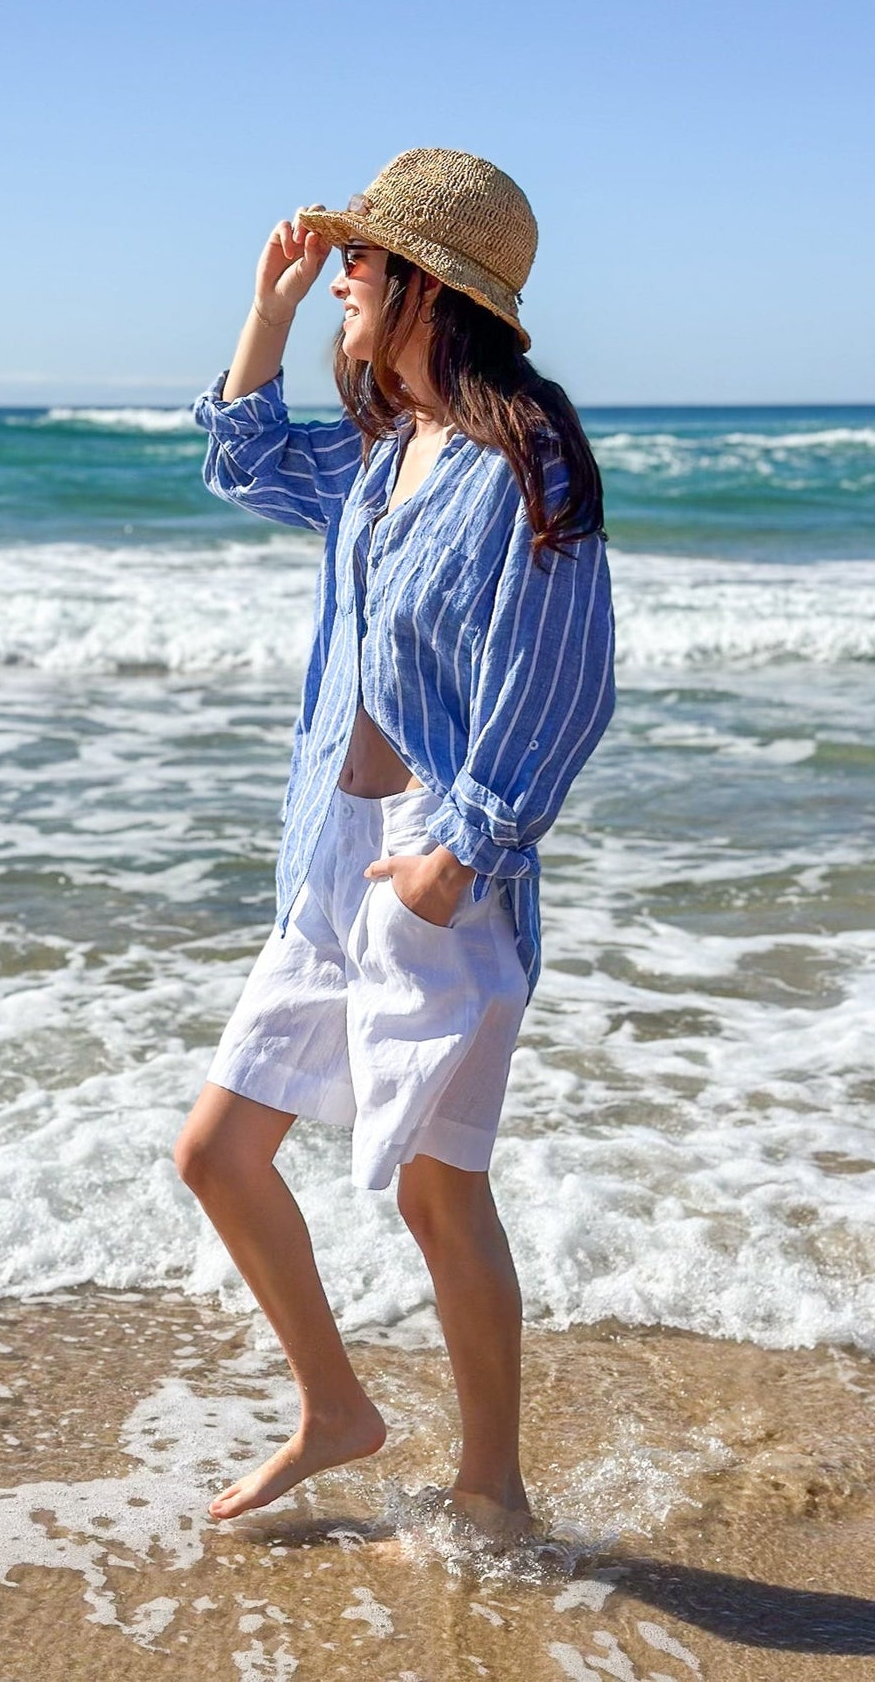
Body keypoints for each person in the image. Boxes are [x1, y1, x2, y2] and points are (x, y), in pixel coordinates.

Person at [174, 148, 615, 1544]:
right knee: (218, 1152)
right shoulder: (387, 449)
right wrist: (271, 305)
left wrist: (463, 848)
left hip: (434, 873)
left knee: (439, 1192)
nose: (344, 282)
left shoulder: (520, 456)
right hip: (328, 857)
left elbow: (570, 671)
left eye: (363, 264)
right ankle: (337, 1412)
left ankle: (495, 1486)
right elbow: (242, 462)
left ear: (433, 287)